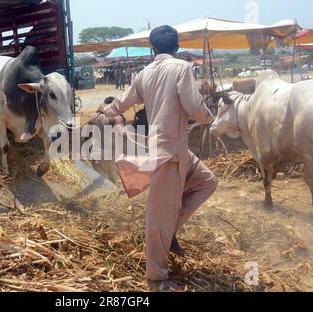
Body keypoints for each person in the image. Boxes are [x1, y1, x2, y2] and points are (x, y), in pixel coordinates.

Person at [97, 25, 218, 292]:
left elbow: (123, 102)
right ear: (177, 47)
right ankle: (157, 278)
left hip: (174, 150)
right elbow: (193, 105)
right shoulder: (182, 68)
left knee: (208, 181)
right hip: (169, 155)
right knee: (157, 218)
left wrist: (106, 110)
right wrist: (208, 117)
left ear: (153, 48)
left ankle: (171, 230)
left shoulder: (143, 74)